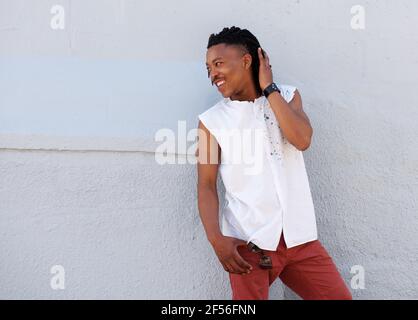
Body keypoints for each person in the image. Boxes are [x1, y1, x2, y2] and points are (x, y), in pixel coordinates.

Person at [196, 26, 352, 300]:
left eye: (218, 64)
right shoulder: (211, 122)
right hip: (249, 244)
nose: (212, 74)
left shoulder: (288, 97)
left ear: (247, 60)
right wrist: (215, 239)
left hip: (300, 239)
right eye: (208, 68)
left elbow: (301, 139)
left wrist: (270, 89)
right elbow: (206, 184)